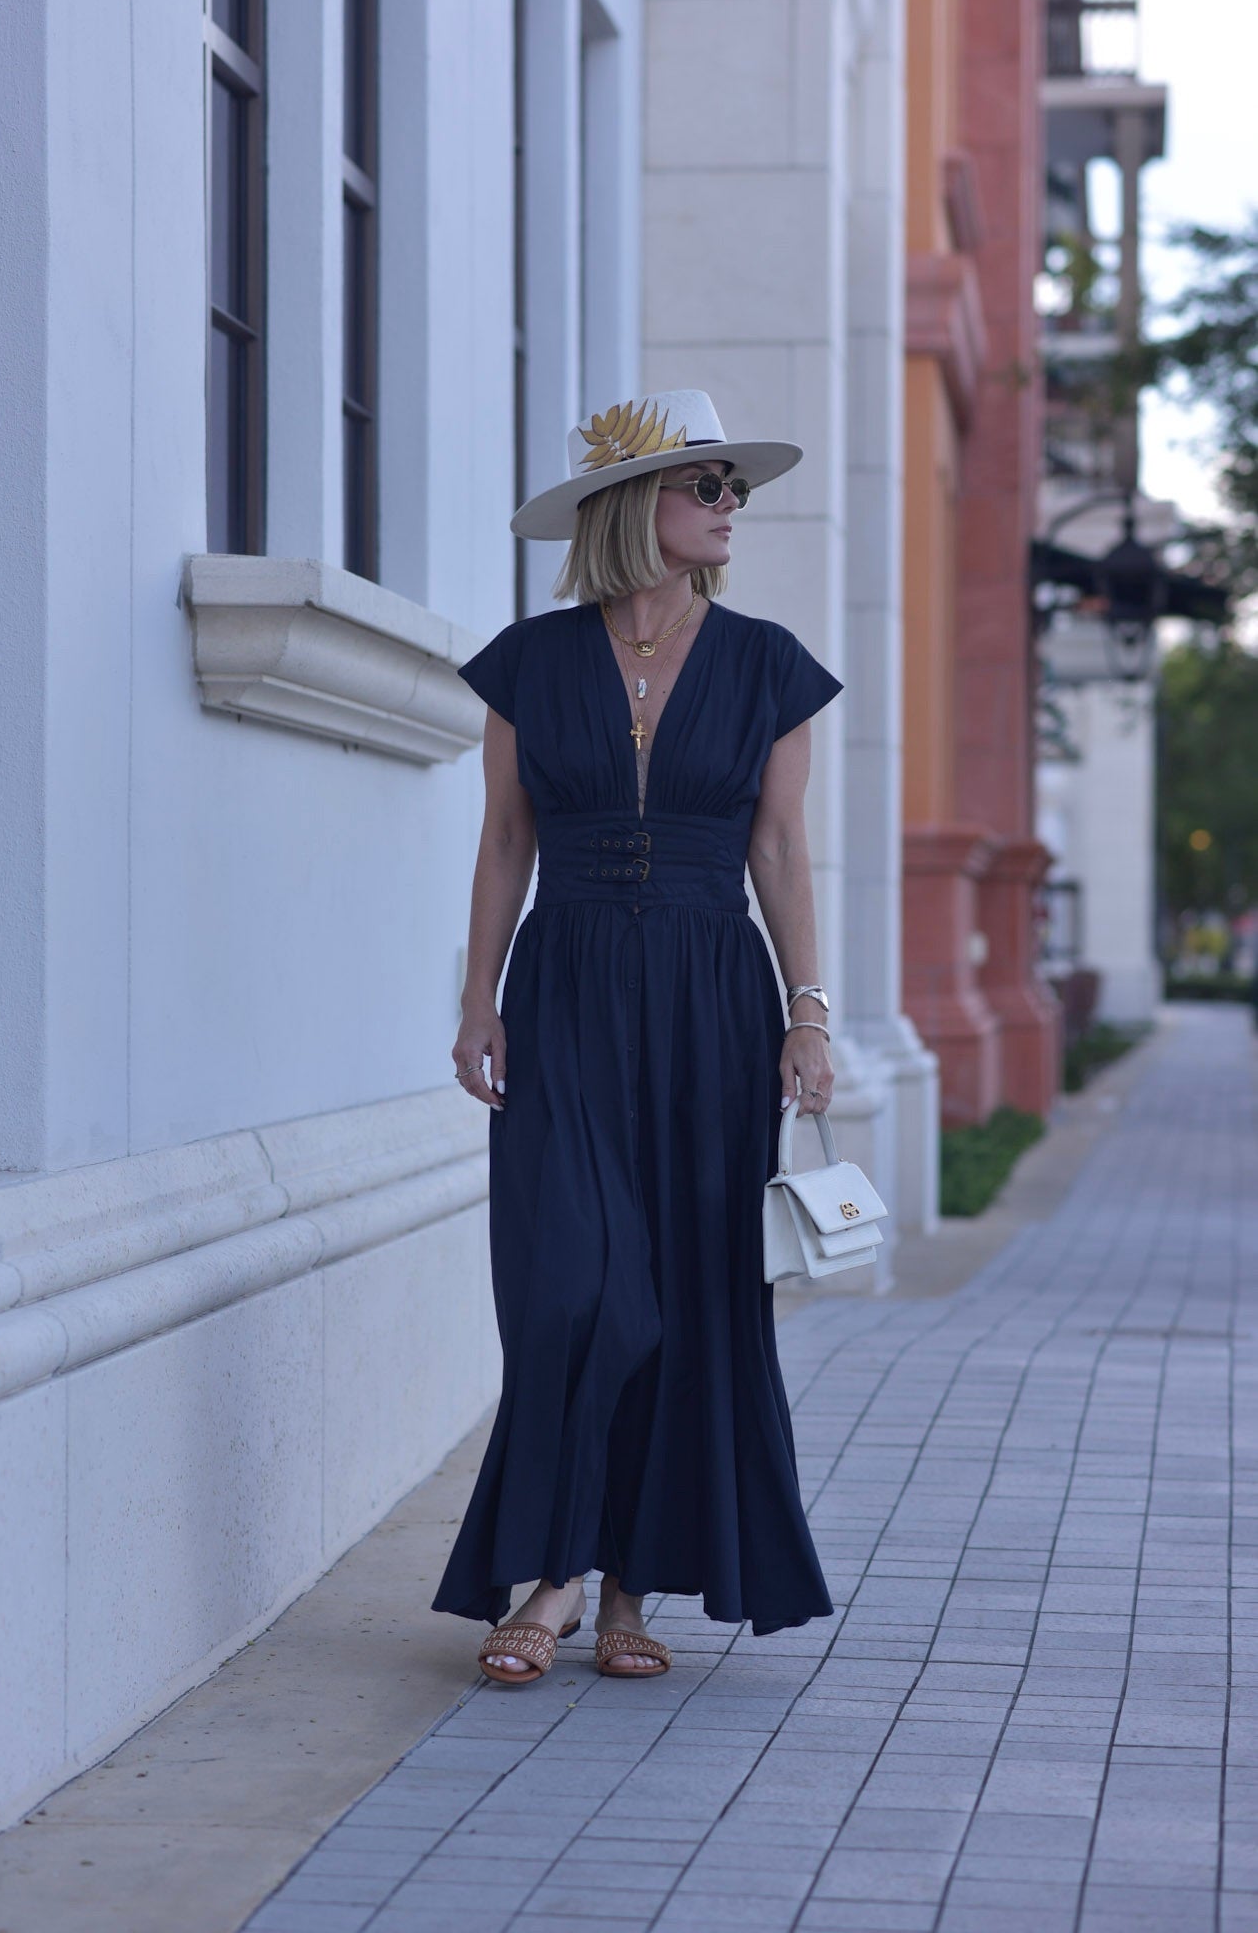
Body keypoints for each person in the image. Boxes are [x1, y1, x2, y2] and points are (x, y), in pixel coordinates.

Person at [433, 390, 842, 1683]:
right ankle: (556, 1571)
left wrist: (807, 1012)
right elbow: (506, 839)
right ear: (632, 504)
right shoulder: (529, 662)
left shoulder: (768, 664)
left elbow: (780, 848)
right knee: (570, 1284)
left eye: (734, 488)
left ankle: (622, 1591)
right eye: (706, 485)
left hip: (713, 1000)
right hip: (565, 992)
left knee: (691, 1295)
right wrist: (477, 996)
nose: (730, 507)